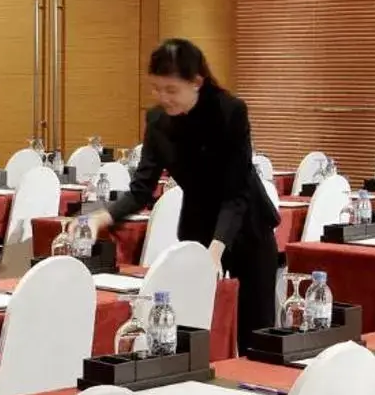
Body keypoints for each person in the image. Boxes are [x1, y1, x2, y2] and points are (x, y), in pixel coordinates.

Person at [91, 38, 280, 335]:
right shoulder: (157, 121)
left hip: (247, 230)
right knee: (192, 328)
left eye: (171, 90)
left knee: (255, 330)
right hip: (197, 229)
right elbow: (143, 187)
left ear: (196, 82)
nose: (163, 98)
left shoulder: (230, 111)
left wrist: (216, 250)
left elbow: (237, 191)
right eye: (156, 88)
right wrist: (103, 217)